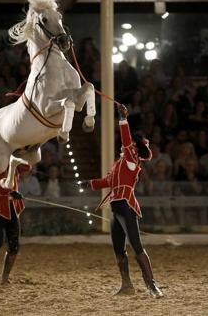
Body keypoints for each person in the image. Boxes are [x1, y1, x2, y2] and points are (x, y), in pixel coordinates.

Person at [79, 104, 163, 298]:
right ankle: (127, 285)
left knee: (136, 246)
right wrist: (88, 183)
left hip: (126, 206)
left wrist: (123, 119)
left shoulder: (132, 159)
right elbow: (107, 181)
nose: (123, 145)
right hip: (116, 208)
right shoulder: (120, 165)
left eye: (128, 144)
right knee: (119, 249)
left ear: (134, 147)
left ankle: (151, 285)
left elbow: (126, 141)